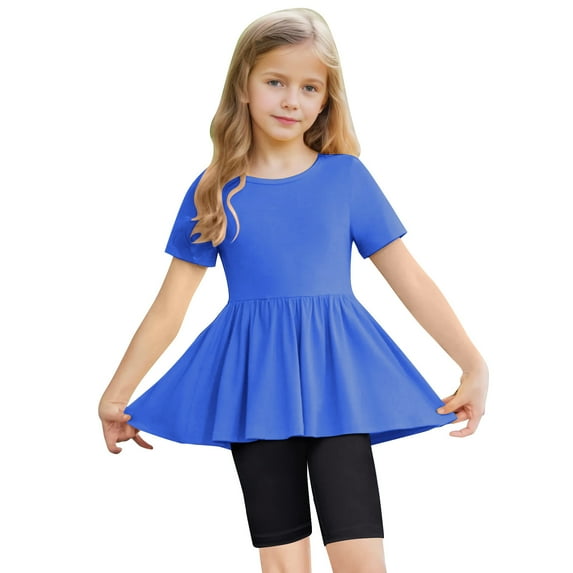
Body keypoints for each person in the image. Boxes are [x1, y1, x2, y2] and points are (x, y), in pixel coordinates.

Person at [98, 7, 489, 573]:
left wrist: (472, 363)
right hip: (255, 389)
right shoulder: (214, 191)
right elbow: (169, 308)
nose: (291, 100)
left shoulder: (345, 178)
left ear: (327, 99)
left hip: (339, 387)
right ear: (244, 85)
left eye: (310, 87)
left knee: (362, 561)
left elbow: (410, 279)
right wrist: (117, 394)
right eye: (275, 82)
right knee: (282, 563)